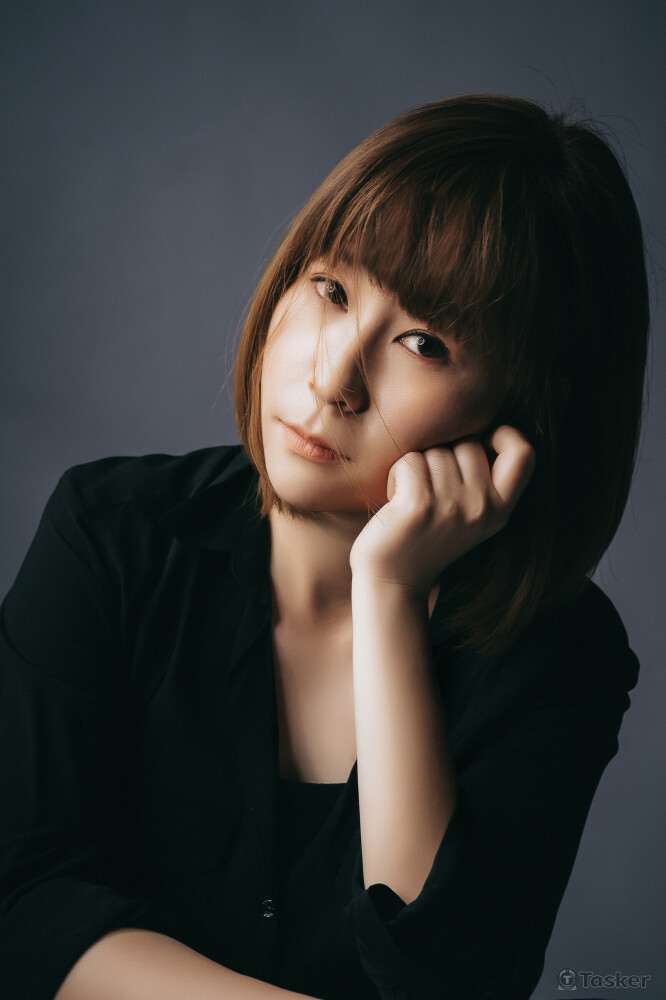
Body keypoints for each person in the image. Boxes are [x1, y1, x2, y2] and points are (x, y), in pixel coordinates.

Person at [0, 94, 649, 1000]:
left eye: (424, 343)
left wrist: (390, 596)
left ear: (524, 413)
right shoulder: (113, 535)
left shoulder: (558, 653)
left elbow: (447, 981)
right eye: (332, 290)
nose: (333, 375)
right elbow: (25, 902)